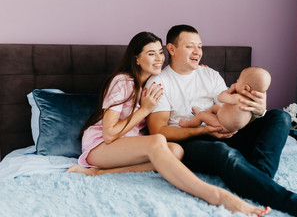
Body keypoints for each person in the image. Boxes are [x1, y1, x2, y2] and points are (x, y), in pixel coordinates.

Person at [144, 24, 297, 217]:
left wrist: (256, 110)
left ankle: (257, 179)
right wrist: (205, 130)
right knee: (223, 152)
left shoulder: (210, 75)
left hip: (226, 132)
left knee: (280, 117)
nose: (197, 51)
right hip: (191, 143)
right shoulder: (160, 82)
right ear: (171, 49)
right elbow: (159, 131)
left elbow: (233, 111)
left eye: (199, 46)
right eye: (190, 46)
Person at [67, 31, 271, 216]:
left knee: (175, 151)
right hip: (101, 145)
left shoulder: (151, 84)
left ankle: (97, 173)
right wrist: (145, 109)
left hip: (125, 145)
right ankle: (217, 196)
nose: (159, 59)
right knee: (157, 141)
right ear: (136, 58)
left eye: (160, 53)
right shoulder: (123, 81)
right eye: (151, 54)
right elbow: (109, 134)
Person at [179, 66, 271, 133]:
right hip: (231, 126)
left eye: (238, 80)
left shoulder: (237, 98)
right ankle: (204, 114)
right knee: (217, 106)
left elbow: (220, 97)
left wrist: (230, 90)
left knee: (202, 115)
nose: (236, 82)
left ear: (245, 88)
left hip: (221, 125)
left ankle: (188, 124)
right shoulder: (252, 103)